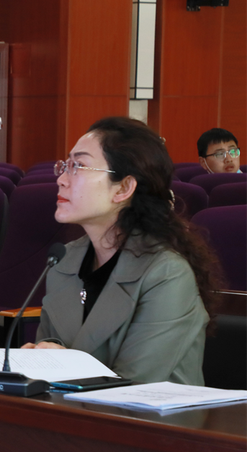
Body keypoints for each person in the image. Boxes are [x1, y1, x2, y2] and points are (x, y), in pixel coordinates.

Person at [24, 116, 220, 384]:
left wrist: (61, 364)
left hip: (149, 410)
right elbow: (52, 350)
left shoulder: (166, 273)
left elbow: (134, 384)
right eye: (65, 166)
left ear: (124, 188)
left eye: (79, 166)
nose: (61, 180)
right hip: (68, 408)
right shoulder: (64, 261)